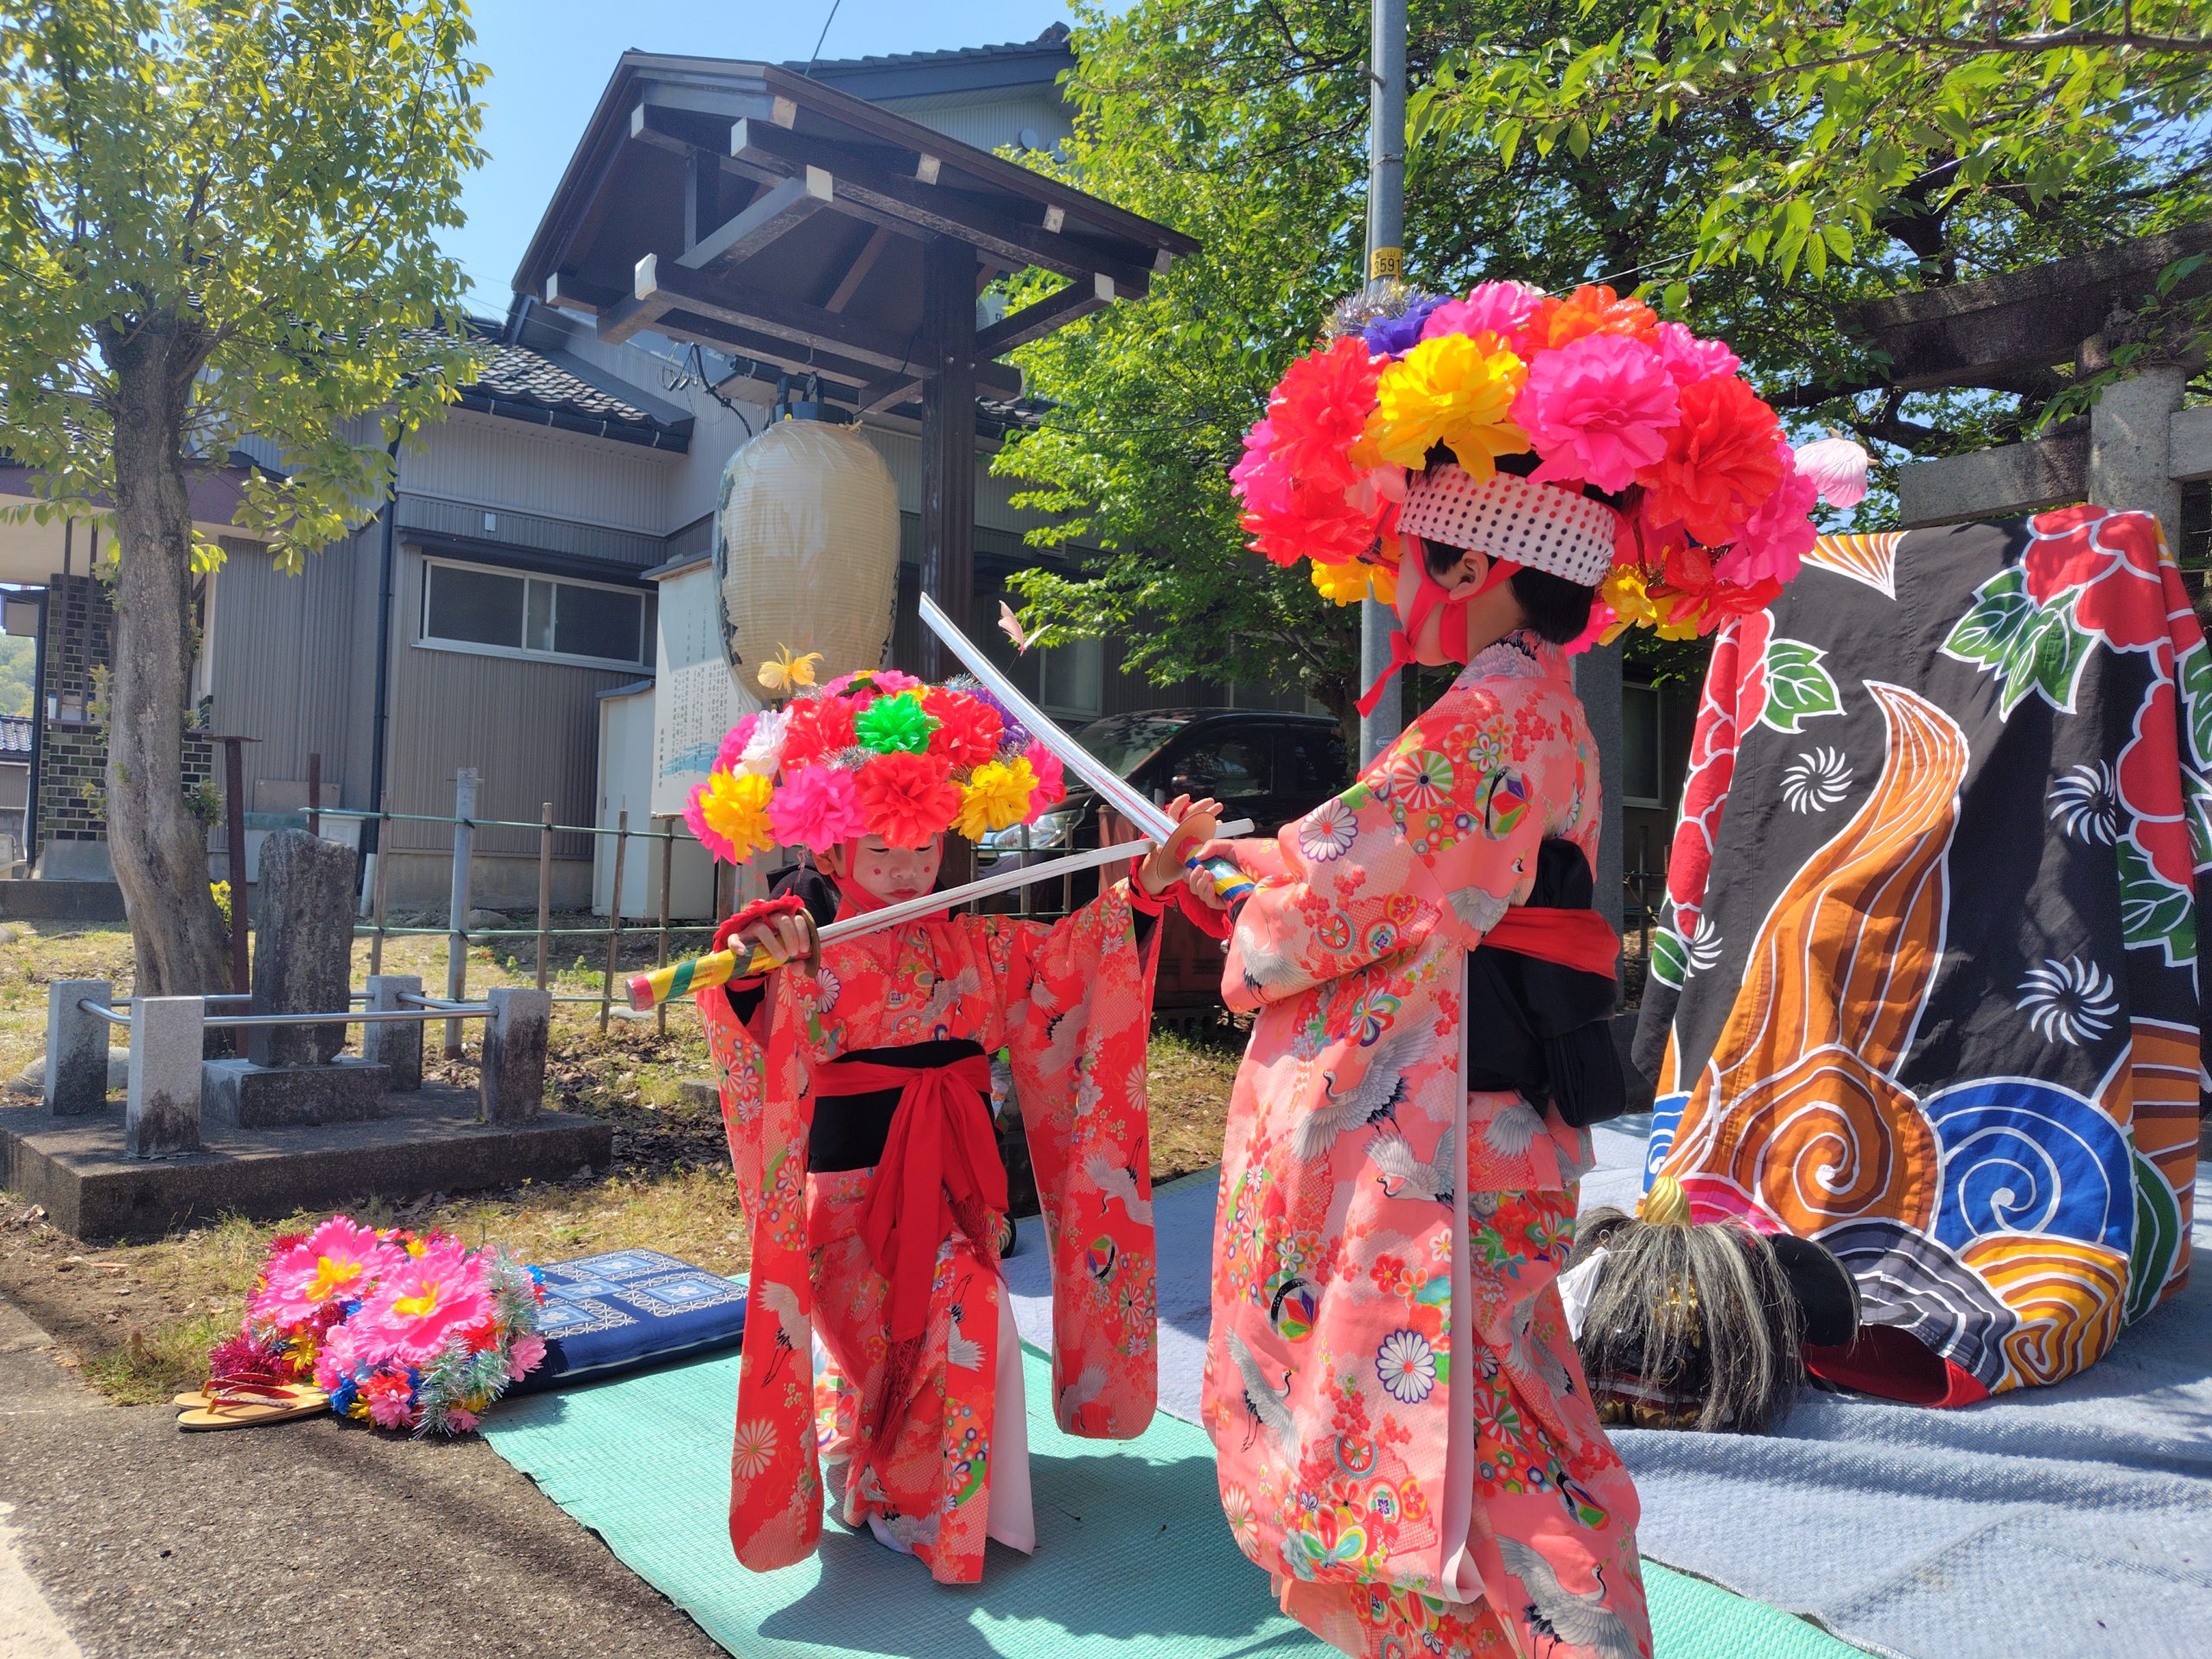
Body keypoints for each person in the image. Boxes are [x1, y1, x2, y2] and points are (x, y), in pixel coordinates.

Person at [1205, 281, 1828, 1658]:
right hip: (1490, 1119)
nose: (1387, 578)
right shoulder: (1521, 709)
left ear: (1475, 561)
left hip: (1454, 1143)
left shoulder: (1487, 718)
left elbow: (1338, 905)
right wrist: (1264, 868)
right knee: (1494, 1402)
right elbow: (1370, 865)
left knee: (1492, 1414)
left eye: (1406, 551)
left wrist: (1228, 904)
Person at [686, 668, 1226, 1585]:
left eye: (923, 849)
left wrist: (1149, 881)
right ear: (831, 855)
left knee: (963, 1315)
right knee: (933, 1328)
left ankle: (909, 1485)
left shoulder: (972, 944)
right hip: (851, 1203)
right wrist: (752, 960)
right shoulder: (805, 947)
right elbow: (747, 1011)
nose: (907, 871)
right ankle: (905, 1492)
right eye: (883, 852)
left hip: (953, 1188)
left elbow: (1072, 970)